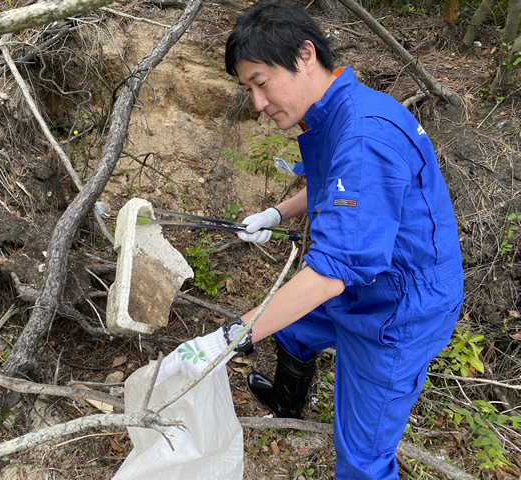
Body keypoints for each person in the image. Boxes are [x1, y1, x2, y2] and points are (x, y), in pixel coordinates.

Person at [156, 1, 464, 478]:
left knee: (362, 458)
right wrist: (276, 212)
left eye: (261, 82)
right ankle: (286, 403)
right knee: (293, 327)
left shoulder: (366, 136)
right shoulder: (334, 113)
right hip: (365, 279)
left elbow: (328, 275)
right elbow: (333, 185)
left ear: (304, 55)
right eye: (248, 88)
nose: (257, 103)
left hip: (397, 309)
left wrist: (225, 339)